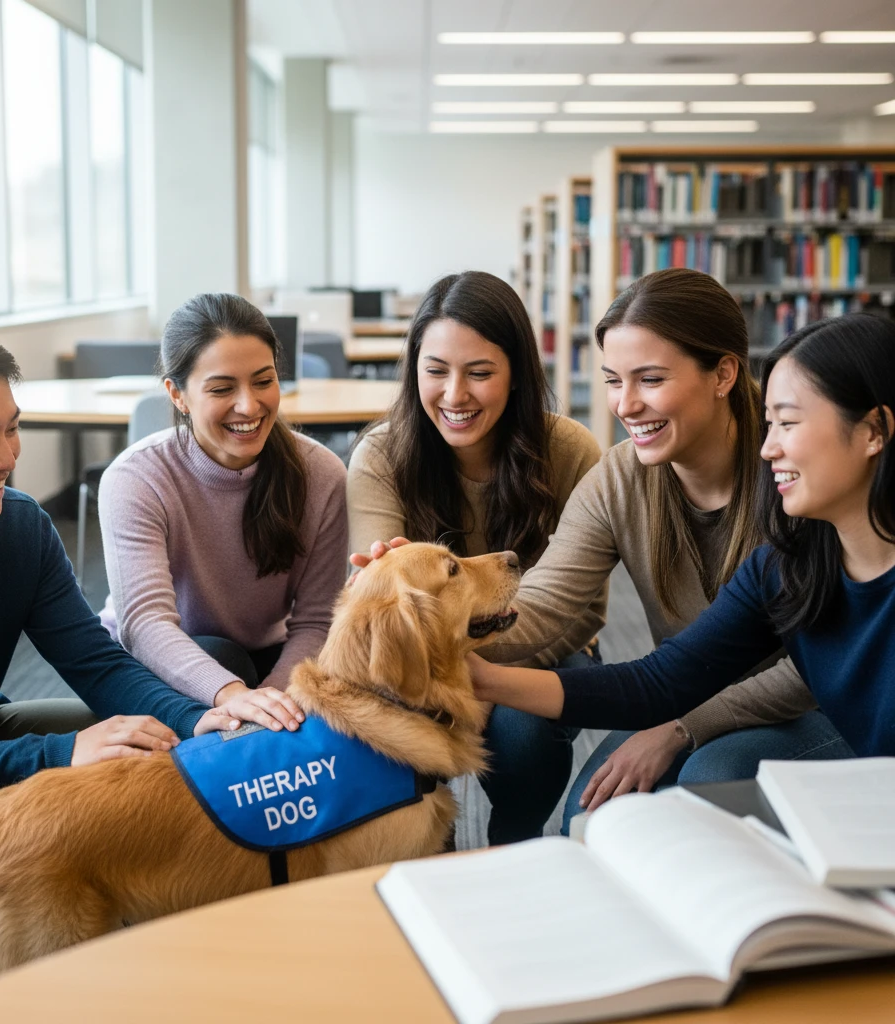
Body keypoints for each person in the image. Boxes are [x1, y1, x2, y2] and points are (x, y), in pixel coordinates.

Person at [362, 269, 846, 836]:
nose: (626, 404)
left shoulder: (799, 473)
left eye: (650, 379)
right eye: (614, 380)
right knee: (588, 820)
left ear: (723, 373)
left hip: (812, 707)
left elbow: (821, 665)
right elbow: (544, 605)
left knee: (708, 784)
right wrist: (437, 627)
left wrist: (682, 728)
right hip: (678, 691)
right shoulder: (621, 478)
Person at [0, 320, 226, 902]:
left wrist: (199, 719)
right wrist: (58, 757)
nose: (6, 457)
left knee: (129, 737)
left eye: (12, 430)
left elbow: (95, 662)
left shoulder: (17, 527)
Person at [470, 313, 894, 764]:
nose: (769, 448)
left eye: (788, 424)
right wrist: (473, 670)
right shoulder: (782, 566)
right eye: (769, 425)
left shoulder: (796, 532)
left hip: (836, 757)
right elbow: (658, 683)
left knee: (709, 777)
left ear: (872, 432)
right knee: (596, 809)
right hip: (864, 799)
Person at [347, 270, 605, 844]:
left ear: (516, 374)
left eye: (480, 373)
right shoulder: (381, 456)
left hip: (540, 650)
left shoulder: (570, 451)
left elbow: (580, 612)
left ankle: (515, 842)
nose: (455, 395)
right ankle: (423, 850)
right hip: (420, 663)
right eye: (435, 371)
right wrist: (449, 668)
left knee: (521, 729)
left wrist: (471, 675)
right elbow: (376, 601)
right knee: (385, 720)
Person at [98, 293, 348, 734]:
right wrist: (237, 698)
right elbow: (146, 624)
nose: (249, 406)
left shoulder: (321, 474)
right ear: (178, 395)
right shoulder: (137, 478)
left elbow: (316, 621)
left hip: (264, 654)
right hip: (151, 657)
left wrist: (271, 704)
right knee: (219, 656)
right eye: (221, 389)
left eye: (264, 381)